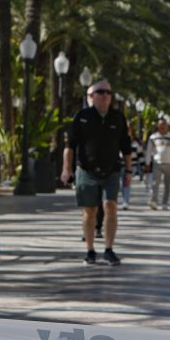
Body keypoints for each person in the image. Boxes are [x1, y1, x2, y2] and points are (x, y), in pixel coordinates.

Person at [61, 79, 131, 265]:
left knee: (110, 206)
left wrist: (129, 171)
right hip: (86, 170)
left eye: (108, 92)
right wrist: (66, 168)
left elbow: (126, 147)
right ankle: (90, 250)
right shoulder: (82, 117)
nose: (105, 95)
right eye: (101, 92)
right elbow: (70, 146)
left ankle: (109, 249)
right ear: (92, 96)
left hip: (111, 170)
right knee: (90, 210)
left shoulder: (118, 118)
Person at [145, 117, 170, 210]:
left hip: (169, 163)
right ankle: (154, 201)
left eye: (164, 124)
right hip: (157, 163)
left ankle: (165, 203)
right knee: (155, 183)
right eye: (160, 124)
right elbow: (148, 151)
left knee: (167, 184)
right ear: (158, 126)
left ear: (167, 126)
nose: (162, 126)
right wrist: (147, 163)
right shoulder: (153, 137)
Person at [120, 124, 142, 210]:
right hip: (121, 165)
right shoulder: (119, 140)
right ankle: (124, 199)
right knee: (122, 184)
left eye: (129, 128)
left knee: (126, 183)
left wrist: (143, 167)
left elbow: (140, 155)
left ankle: (125, 202)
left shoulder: (136, 143)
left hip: (132, 166)